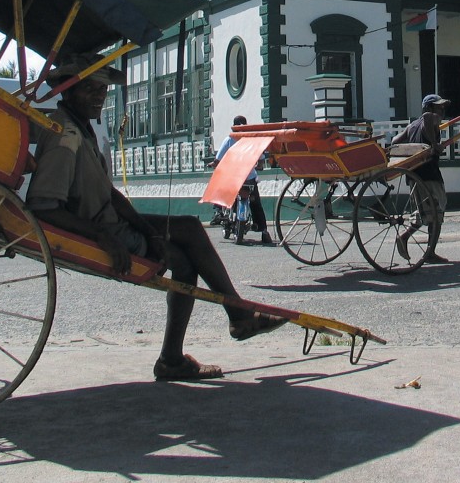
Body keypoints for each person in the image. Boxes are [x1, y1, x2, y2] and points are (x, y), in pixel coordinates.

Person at [26, 54, 285, 381]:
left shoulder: (83, 130)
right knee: (185, 258)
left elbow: (109, 194)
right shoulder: (66, 136)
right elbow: (44, 207)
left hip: (109, 220)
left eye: (103, 89)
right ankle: (223, 324)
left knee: (187, 230)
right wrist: (102, 237)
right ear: (67, 91)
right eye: (89, 88)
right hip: (99, 230)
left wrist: (148, 230)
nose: (98, 96)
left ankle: (207, 335)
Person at [391, 93, 450, 264]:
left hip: (415, 174)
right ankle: (429, 252)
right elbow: (426, 117)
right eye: (439, 107)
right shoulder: (430, 117)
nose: (441, 110)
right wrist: (433, 144)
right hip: (429, 174)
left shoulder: (411, 126)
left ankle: (404, 238)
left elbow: (395, 140)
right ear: (430, 108)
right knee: (437, 211)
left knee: (423, 212)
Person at [215, 115, 274, 245]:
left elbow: (218, 158)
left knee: (218, 189)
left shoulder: (230, 139)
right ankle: (264, 231)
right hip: (249, 178)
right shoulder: (252, 139)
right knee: (256, 204)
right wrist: (259, 165)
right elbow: (261, 157)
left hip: (234, 178)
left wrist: (215, 164)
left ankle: (218, 212)